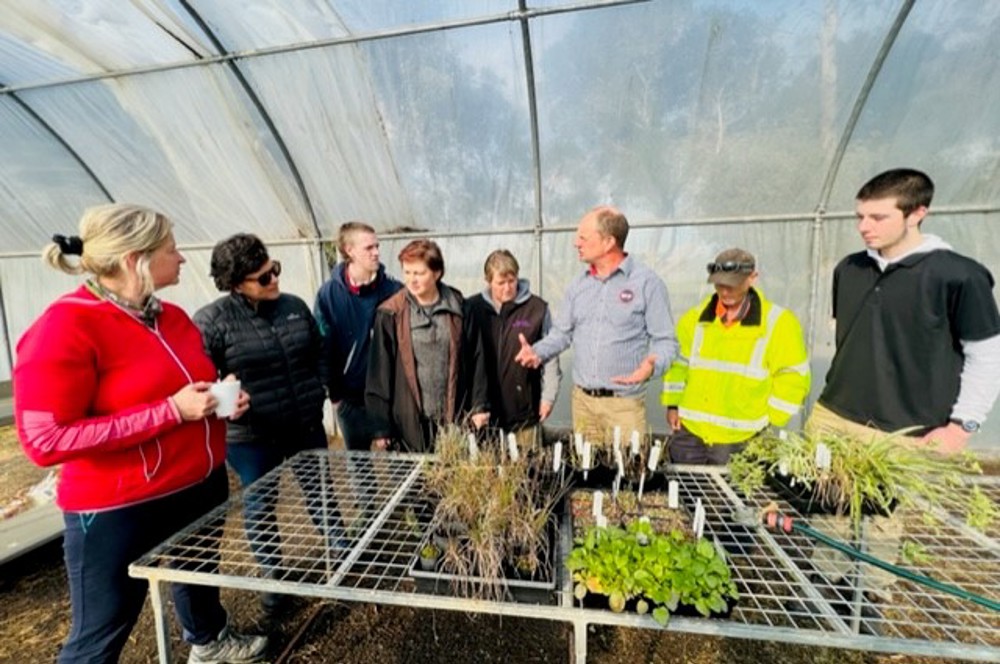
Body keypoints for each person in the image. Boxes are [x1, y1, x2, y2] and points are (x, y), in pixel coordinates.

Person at [13, 204, 266, 664]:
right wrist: (170, 411)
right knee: (102, 628)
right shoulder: (65, 328)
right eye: (171, 249)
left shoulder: (170, 317)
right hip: (120, 507)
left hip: (194, 485)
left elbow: (183, 389)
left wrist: (216, 402)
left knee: (199, 580)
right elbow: (45, 441)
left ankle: (209, 644)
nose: (183, 258)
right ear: (136, 260)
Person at [808, 168, 1000, 606]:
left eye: (877, 217)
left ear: (917, 213)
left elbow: (987, 356)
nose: (863, 227)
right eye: (859, 216)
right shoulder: (850, 268)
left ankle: (869, 603)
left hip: (902, 431)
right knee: (827, 509)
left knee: (882, 523)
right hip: (836, 415)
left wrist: (961, 427)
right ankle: (824, 595)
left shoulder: (959, 276)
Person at [194, 234, 342, 614]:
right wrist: (220, 397)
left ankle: (344, 557)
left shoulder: (292, 306)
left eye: (274, 270)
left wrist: (320, 385)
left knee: (321, 493)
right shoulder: (213, 321)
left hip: (304, 424)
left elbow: (319, 348)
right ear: (235, 284)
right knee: (261, 505)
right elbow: (196, 378)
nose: (274, 279)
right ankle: (275, 583)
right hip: (252, 437)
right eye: (262, 278)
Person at [515, 205, 677, 443]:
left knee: (627, 475)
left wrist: (653, 364)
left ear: (608, 242)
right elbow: (561, 334)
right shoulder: (578, 286)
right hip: (583, 405)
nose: (575, 243)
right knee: (588, 474)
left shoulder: (647, 284)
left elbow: (666, 343)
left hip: (624, 407)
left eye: (583, 237)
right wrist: (537, 352)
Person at [661, 248, 810, 464]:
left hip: (741, 437)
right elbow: (677, 366)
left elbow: (793, 375)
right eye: (719, 284)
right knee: (686, 493)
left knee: (726, 497)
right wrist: (673, 405)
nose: (725, 291)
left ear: (752, 278)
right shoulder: (694, 319)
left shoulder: (779, 323)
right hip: (689, 431)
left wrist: (770, 419)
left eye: (732, 284)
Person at [366, 239, 490, 452]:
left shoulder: (460, 309)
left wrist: (479, 406)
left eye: (419, 273)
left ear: (437, 273)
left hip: (453, 418)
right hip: (408, 421)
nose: (411, 280)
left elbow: (477, 359)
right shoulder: (390, 313)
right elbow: (379, 373)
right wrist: (380, 427)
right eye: (407, 272)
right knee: (415, 482)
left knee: (451, 478)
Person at [314, 222, 402, 451]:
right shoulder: (329, 295)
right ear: (349, 250)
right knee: (359, 467)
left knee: (399, 464)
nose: (376, 253)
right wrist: (334, 395)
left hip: (390, 398)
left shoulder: (394, 291)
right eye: (369, 248)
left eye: (377, 246)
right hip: (350, 400)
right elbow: (322, 345)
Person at [466, 249, 561, 447]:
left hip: (523, 411)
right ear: (488, 280)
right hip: (483, 412)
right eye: (501, 283)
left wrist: (548, 398)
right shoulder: (472, 309)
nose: (508, 288)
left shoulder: (536, 309)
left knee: (527, 468)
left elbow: (550, 357)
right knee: (487, 470)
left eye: (512, 280)